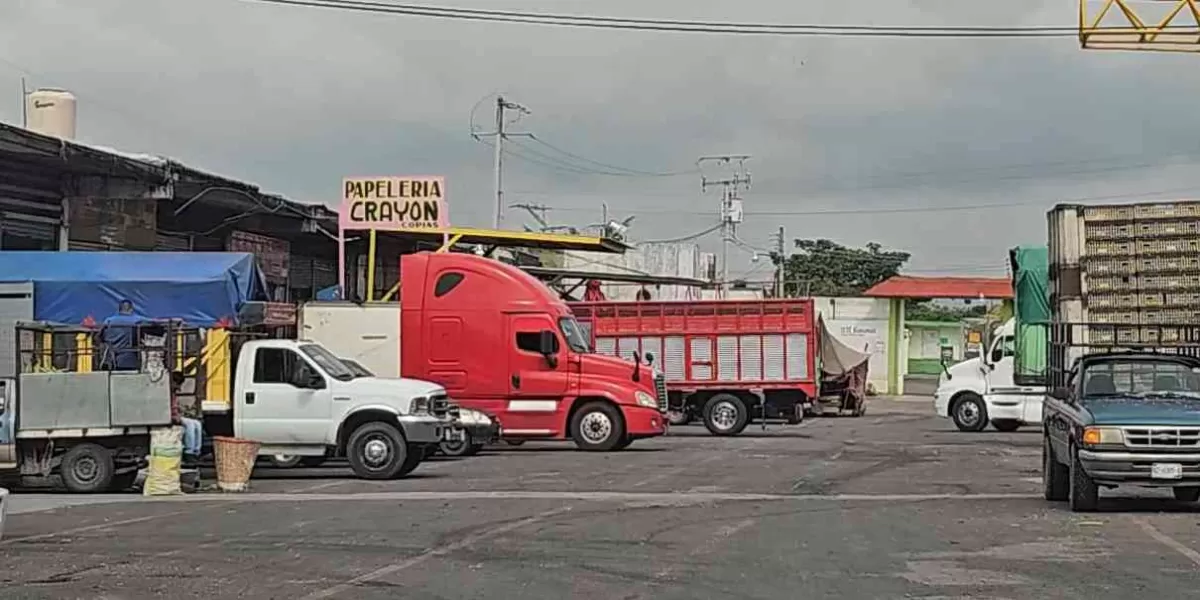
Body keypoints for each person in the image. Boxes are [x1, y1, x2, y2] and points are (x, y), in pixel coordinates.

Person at [100, 299, 144, 371]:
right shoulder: (136, 320)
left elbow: (99, 336)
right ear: (131, 309)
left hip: (110, 359)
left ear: (119, 310)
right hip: (129, 359)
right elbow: (153, 323)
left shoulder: (108, 321)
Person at [171, 372, 203, 466]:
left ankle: (196, 451)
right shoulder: (168, 392)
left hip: (176, 415)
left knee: (197, 424)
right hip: (171, 416)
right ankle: (189, 452)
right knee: (189, 425)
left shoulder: (173, 392)